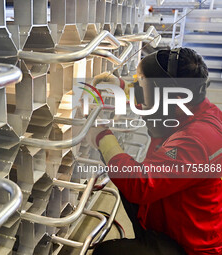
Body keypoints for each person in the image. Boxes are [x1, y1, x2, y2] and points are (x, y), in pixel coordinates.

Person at [88, 48, 222, 255]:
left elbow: (139, 184)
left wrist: (102, 136)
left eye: (142, 81)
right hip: (172, 215)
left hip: (189, 247)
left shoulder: (196, 141)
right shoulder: (191, 107)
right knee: (123, 177)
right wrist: (121, 87)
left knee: (105, 253)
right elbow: (153, 103)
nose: (138, 85)